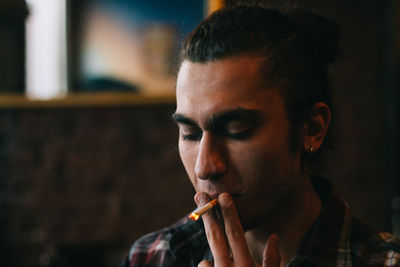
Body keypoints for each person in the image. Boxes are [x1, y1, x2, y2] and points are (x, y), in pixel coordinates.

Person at [121, 5, 400, 267]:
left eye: (236, 131)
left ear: (312, 129)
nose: (204, 167)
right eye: (190, 133)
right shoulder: (152, 256)